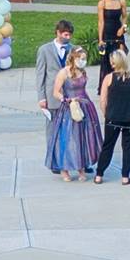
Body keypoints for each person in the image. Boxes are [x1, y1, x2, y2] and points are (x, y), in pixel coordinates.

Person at [47, 46, 103, 182]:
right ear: (74, 58)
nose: (84, 61)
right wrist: (65, 99)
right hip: (69, 107)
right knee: (67, 138)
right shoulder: (63, 72)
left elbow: (83, 89)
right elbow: (56, 92)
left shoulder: (82, 72)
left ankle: (81, 167)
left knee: (83, 137)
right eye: (81, 58)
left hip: (84, 105)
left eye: (85, 59)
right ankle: (64, 169)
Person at [95, 48, 130, 186]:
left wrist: (106, 113)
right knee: (128, 147)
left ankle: (99, 174)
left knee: (108, 146)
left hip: (113, 117)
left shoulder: (108, 78)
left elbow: (103, 100)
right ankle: (125, 176)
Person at [36, 19, 75, 175]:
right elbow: (40, 74)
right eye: (65, 34)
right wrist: (41, 97)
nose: (68, 38)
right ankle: (54, 162)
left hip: (69, 96)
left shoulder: (73, 49)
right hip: (51, 96)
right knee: (53, 131)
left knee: (72, 131)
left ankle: (73, 160)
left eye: (70, 35)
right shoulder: (45, 50)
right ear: (58, 33)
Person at [95, 0, 126, 83]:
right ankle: (106, 83)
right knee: (107, 60)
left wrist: (123, 28)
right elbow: (101, 22)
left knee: (120, 57)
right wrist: (100, 39)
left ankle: (121, 80)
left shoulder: (121, 2)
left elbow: (125, 17)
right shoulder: (102, 3)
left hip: (118, 32)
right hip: (107, 33)